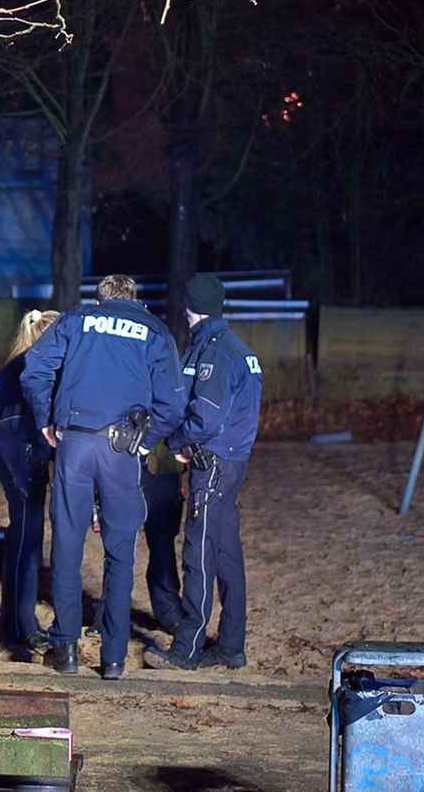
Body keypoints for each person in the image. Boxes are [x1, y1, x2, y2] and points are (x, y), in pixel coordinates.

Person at [21, 274, 185, 680]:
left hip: (74, 444)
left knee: (67, 547)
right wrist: (144, 443)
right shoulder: (154, 331)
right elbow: (173, 401)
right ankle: (113, 657)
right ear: (133, 299)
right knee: (120, 552)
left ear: (100, 299)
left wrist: (46, 421)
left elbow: (34, 370)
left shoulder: (77, 319)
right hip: (121, 452)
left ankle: (66, 649)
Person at [145, 273, 263, 671]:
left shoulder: (213, 353)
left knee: (197, 554)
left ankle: (187, 648)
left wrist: (177, 444)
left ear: (189, 307)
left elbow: (205, 417)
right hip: (232, 465)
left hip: (211, 465)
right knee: (228, 555)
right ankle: (231, 644)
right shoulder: (237, 348)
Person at [0, 308, 60, 655]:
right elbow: (14, 423)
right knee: (27, 539)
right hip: (22, 460)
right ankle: (21, 625)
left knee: (25, 535)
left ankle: (14, 622)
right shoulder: (29, 371)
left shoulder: (12, 368)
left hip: (16, 459)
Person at [86, 441, 186, 637]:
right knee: (118, 545)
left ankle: (170, 612)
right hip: (122, 462)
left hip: (163, 465)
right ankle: (108, 612)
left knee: (163, 545)